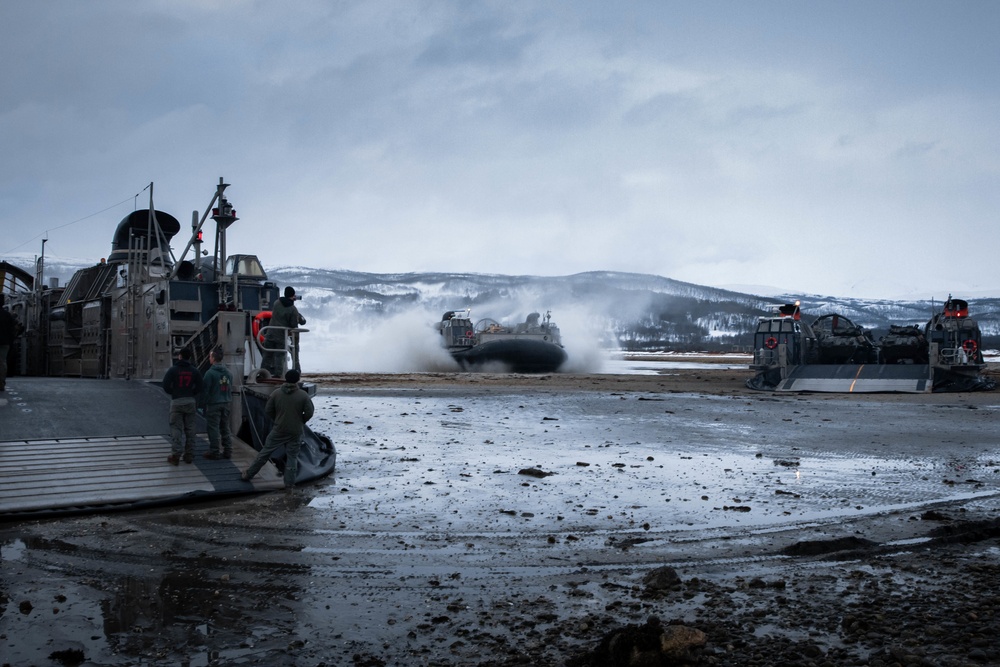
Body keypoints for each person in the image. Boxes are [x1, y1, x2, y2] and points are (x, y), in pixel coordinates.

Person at [241, 368, 314, 488]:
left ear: (285, 379)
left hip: (279, 429)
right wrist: (301, 420)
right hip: (295, 430)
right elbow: (309, 412)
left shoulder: (276, 393)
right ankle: (289, 483)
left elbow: (268, 410)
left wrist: (277, 419)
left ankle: (249, 474)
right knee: (292, 457)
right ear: (297, 380)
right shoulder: (303, 395)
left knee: (264, 453)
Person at [162, 348, 204, 465]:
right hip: (190, 401)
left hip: (176, 402)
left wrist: (174, 392)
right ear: (189, 357)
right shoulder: (195, 371)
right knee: (190, 429)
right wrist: (191, 393)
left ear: (180, 356)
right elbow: (200, 386)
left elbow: (165, 386)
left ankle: (175, 455)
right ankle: (189, 455)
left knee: (176, 428)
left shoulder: (173, 370)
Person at [262, 286, 306, 377]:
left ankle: (263, 374)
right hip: (281, 336)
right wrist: (297, 315)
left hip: (270, 333)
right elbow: (293, 324)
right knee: (280, 356)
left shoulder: (276, 303)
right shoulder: (293, 309)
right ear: (292, 296)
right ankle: (278, 375)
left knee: (267, 356)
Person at [201, 347, 234, 460]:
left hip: (214, 403)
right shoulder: (229, 373)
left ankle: (215, 451)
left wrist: (203, 403)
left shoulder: (210, 373)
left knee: (213, 427)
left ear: (213, 358)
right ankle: (228, 450)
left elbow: (205, 390)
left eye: (210, 356)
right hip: (226, 402)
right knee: (225, 427)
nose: (209, 358)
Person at [0, 294, 22, 392]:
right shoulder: (7, 315)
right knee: (2, 362)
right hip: (5, 342)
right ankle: (1, 384)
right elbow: (12, 329)